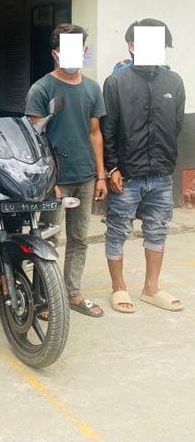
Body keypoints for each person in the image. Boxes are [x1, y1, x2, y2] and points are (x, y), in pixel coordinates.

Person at [102, 19, 186, 313]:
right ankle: (119, 288)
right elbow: (109, 128)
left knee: (157, 229)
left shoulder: (173, 82)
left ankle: (151, 288)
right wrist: (112, 168)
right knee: (117, 231)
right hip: (126, 176)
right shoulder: (116, 83)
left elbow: (176, 124)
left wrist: (164, 159)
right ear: (132, 46)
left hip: (161, 174)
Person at [24, 23, 108, 318]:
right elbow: (36, 139)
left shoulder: (92, 88)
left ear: (84, 51)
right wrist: (51, 181)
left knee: (79, 238)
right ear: (55, 53)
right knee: (47, 241)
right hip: (55, 180)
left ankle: (72, 293)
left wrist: (100, 175)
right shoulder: (42, 89)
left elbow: (95, 133)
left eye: (79, 49)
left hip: (85, 176)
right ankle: (43, 297)